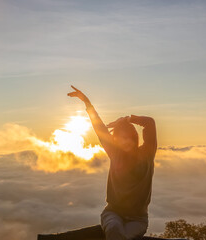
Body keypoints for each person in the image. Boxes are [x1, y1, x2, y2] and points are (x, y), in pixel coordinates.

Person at [67, 85, 157, 240]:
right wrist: (86, 102)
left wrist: (125, 120)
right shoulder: (115, 154)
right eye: (120, 138)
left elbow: (149, 122)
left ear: (134, 136)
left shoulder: (147, 152)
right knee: (114, 230)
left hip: (138, 219)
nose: (124, 141)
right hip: (113, 213)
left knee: (123, 236)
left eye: (127, 136)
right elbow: (99, 128)